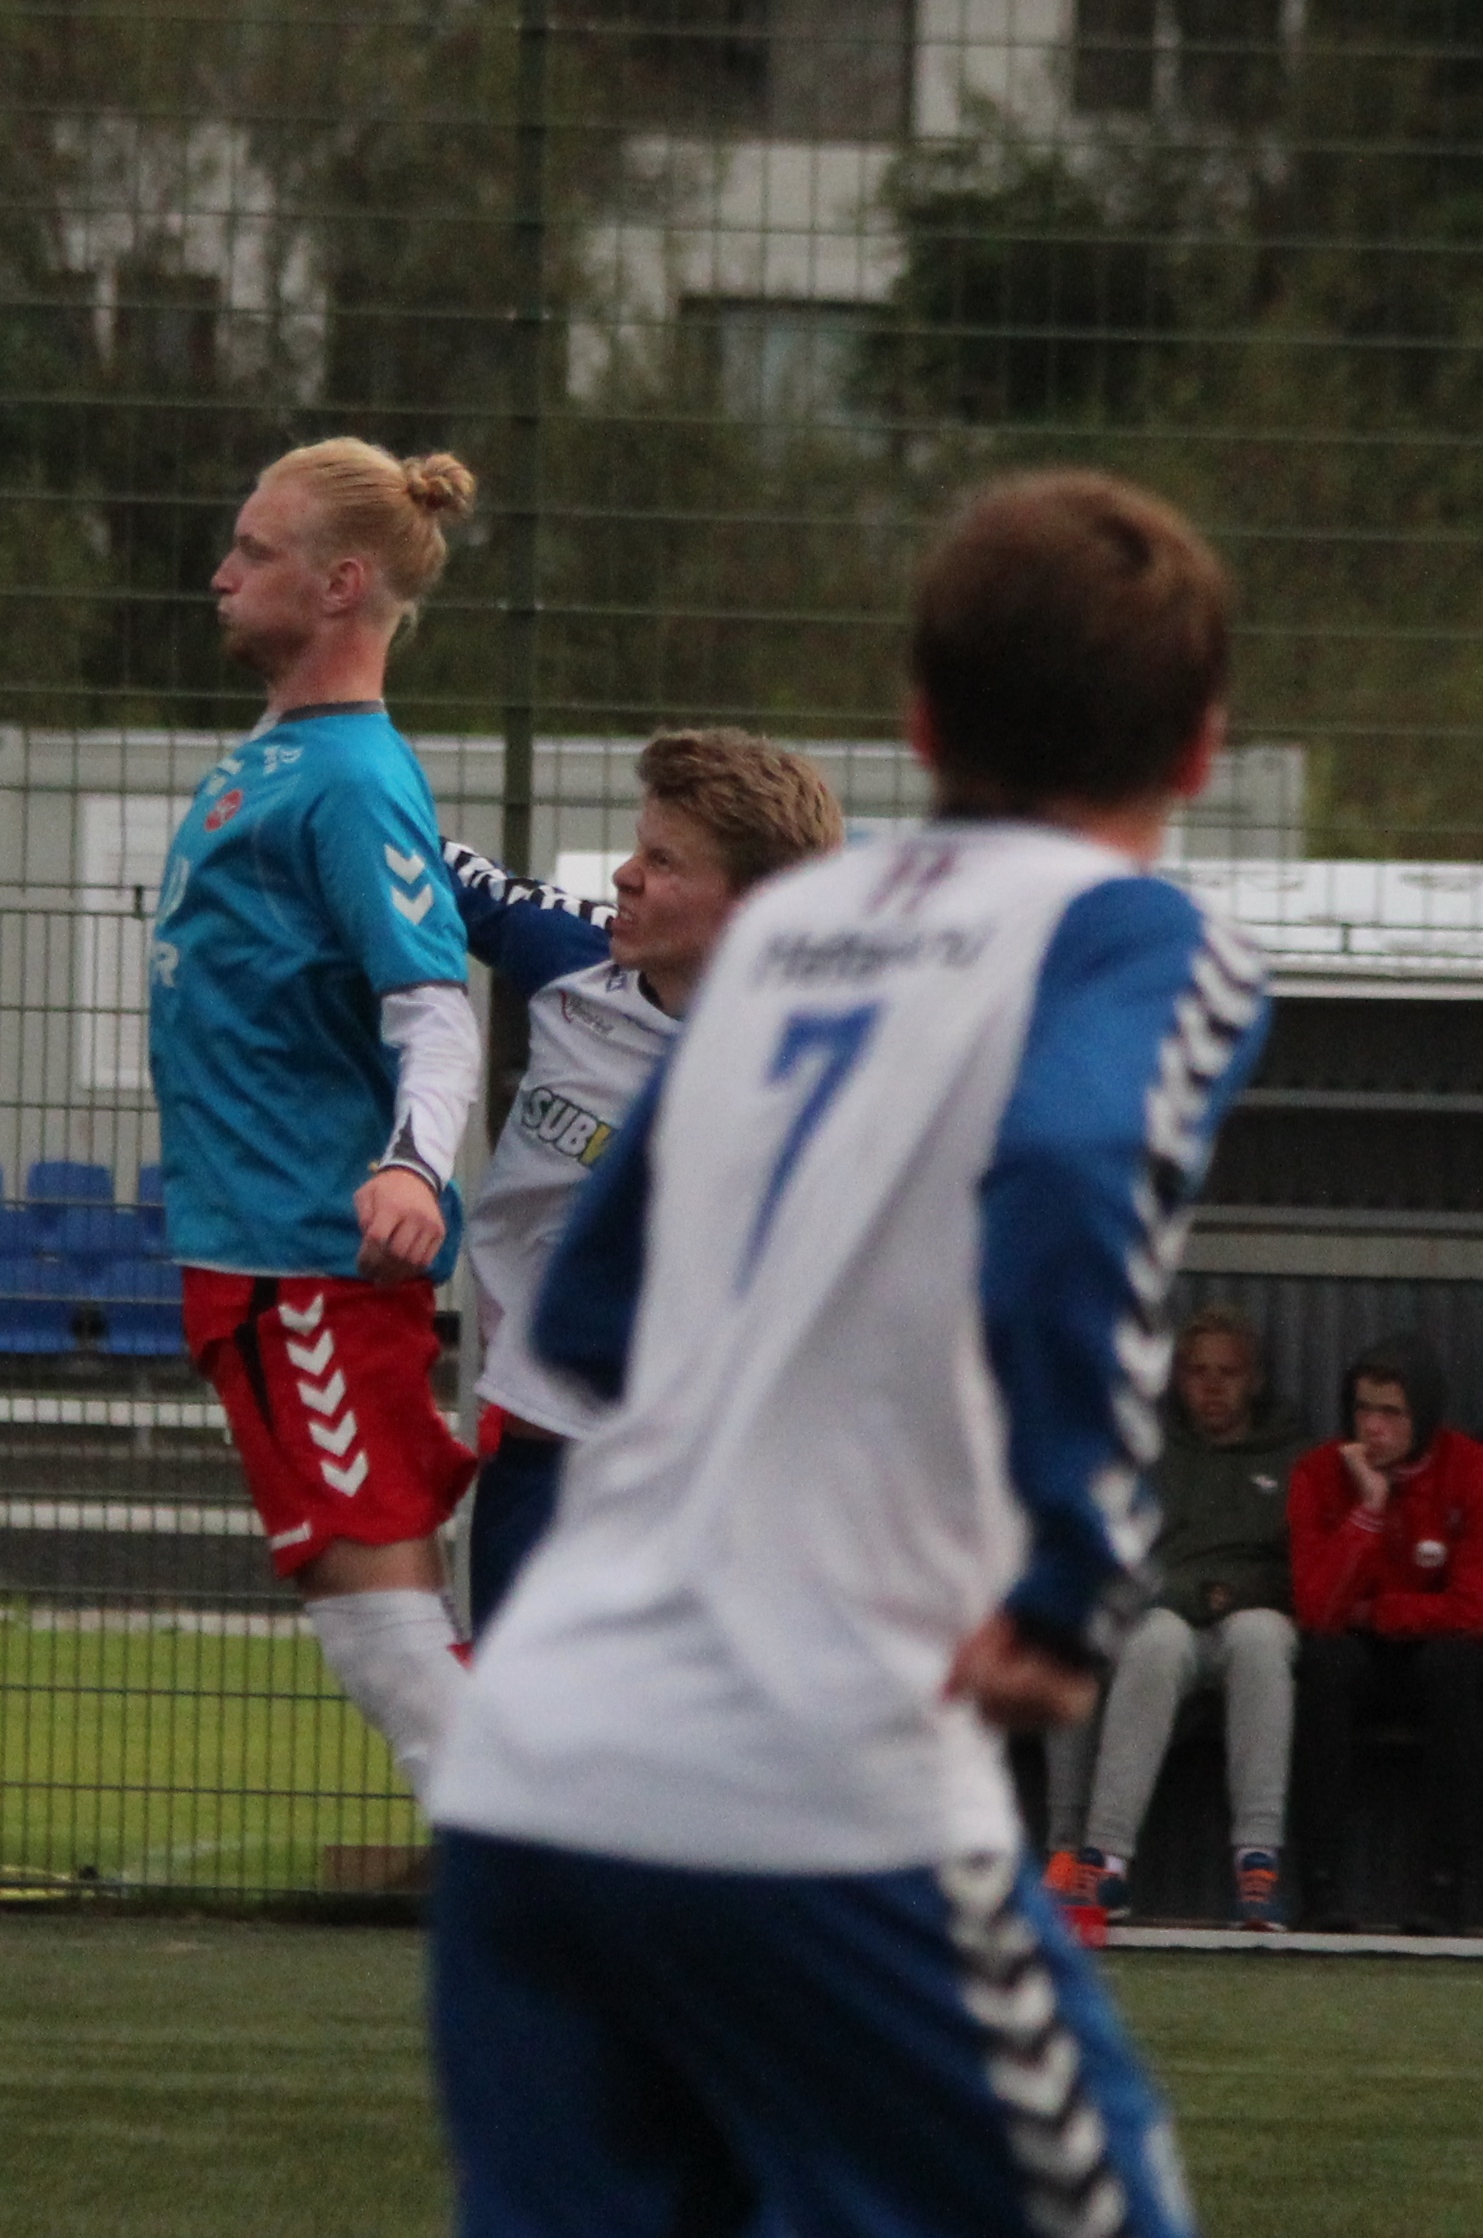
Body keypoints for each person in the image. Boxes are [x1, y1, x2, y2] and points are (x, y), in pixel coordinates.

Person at [429, 470, 1265, 2237]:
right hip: (808, 1760)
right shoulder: (1138, 939)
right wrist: (1066, 1566)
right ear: (1201, 747)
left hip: (534, 1756)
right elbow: (1070, 1167)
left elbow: (592, 1307)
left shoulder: (791, 937)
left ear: (921, 720)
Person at [147, 436, 486, 1803]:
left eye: (255, 550)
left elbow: (435, 1006)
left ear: (342, 584)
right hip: (254, 1254)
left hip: (308, 1259)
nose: (220, 574)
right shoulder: (276, 759)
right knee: (376, 1619)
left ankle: (567, 1892)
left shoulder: (348, 776)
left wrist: (409, 1163)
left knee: (384, 1630)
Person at [444, 728, 844, 1628]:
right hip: (540, 1463)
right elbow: (409, 852)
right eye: (638, 848)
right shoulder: (573, 961)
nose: (625, 876)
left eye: (663, 862)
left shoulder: (824, 1066)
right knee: (515, 1710)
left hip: (717, 1484)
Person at [1042, 1305, 1308, 1930]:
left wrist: (1237, 1592)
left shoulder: (1293, 1456)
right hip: (1163, 1619)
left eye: (1228, 1373)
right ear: (1177, 1379)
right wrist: (1189, 1593)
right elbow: (1119, 1554)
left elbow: (1306, 1564)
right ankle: (1104, 1862)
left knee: (1262, 1636)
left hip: (1251, 1619)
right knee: (1153, 1638)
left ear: (1254, 1380)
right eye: (1197, 1373)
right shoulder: (1151, 1452)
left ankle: (1258, 1863)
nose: (1212, 1387)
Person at [1286, 1333, 1483, 1932]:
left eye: (1392, 1413)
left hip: (1433, 1651)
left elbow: (1473, 1608)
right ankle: (1320, 1893)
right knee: (1324, 1664)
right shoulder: (1320, 1472)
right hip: (1355, 1654)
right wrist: (1369, 1508)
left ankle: (1443, 1895)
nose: (1373, 1427)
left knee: (1459, 1668)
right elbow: (1319, 1610)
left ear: (1423, 1415)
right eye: (1363, 1409)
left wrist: (1381, 1613)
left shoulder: (1469, 1471)